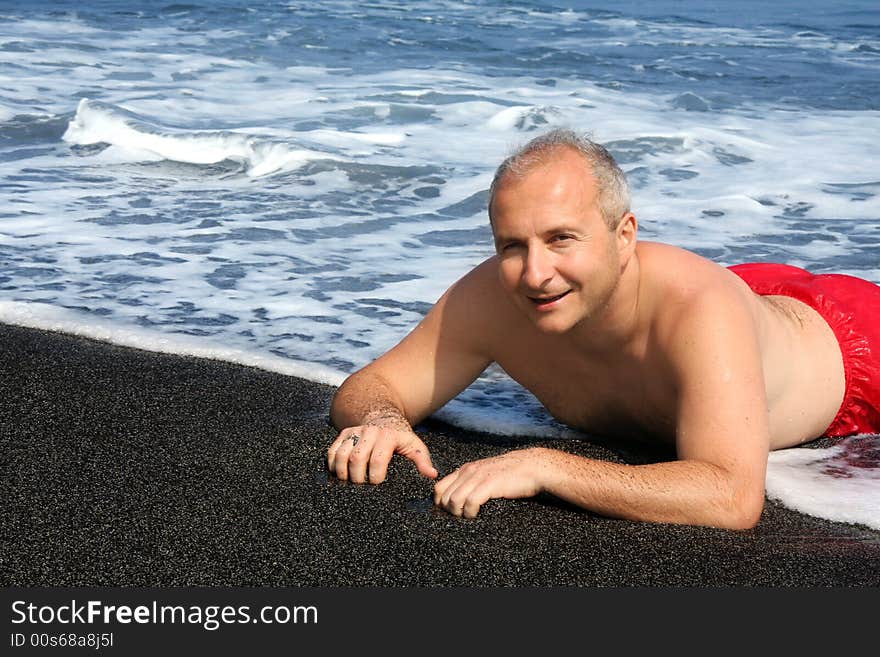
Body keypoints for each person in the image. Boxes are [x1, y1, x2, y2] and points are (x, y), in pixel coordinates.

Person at [326, 128, 880, 530]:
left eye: (561, 238)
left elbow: (731, 496)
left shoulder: (697, 311)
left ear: (624, 236)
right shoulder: (495, 295)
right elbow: (373, 386)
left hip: (854, 347)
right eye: (512, 245)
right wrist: (381, 420)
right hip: (748, 302)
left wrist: (545, 466)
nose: (536, 274)